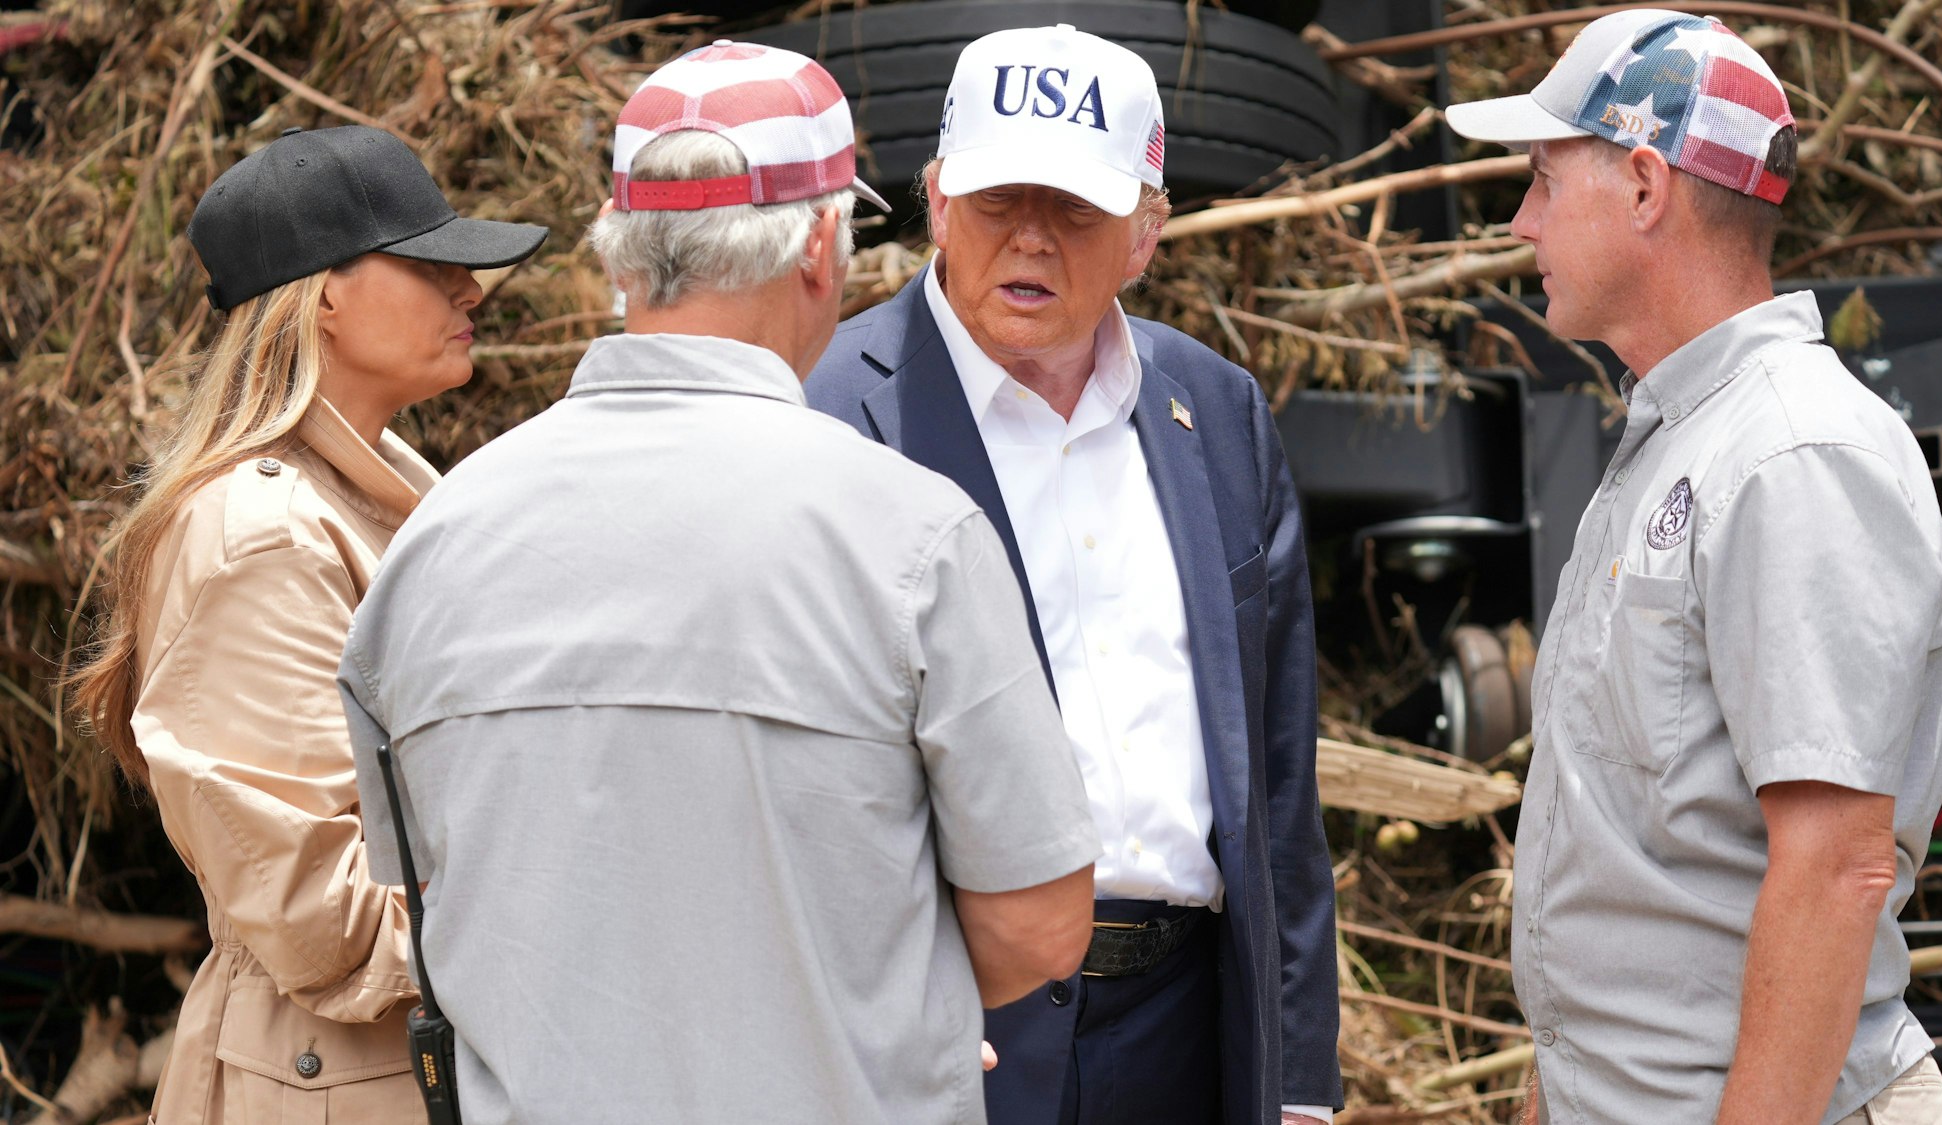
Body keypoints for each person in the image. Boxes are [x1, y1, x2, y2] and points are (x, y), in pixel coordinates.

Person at [337, 42, 1101, 1123]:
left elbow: (430, 895)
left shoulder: (433, 541)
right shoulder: (912, 538)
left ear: (620, 256)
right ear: (820, 245)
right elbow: (1036, 928)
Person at [807, 24, 1342, 1125]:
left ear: (1146, 233)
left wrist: (1298, 1080)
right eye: (1002, 203)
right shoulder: (826, 415)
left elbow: (1277, 778)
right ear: (939, 203)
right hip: (951, 1028)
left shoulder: (1217, 411)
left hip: (1188, 1028)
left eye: (1075, 212)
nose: (1032, 244)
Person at [1443, 10, 1942, 1124]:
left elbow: (1834, 870)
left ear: (1642, 187)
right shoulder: (1683, 443)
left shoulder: (1791, 456)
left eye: (1540, 178)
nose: (1517, 219)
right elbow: (1636, 850)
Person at [65, 125, 546, 1123]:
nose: (471, 292)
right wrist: (562, 918)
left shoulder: (372, 495)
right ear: (325, 293)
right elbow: (314, 909)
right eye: (430, 264)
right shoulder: (263, 538)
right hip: (340, 1084)